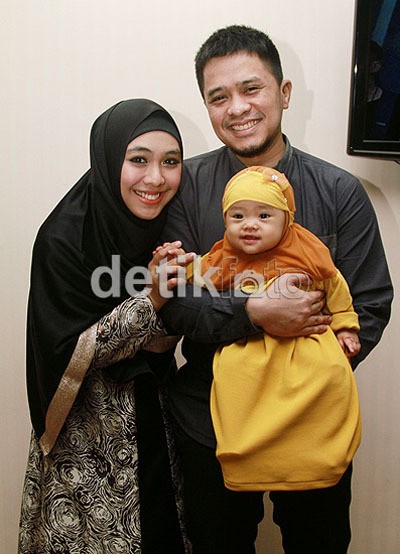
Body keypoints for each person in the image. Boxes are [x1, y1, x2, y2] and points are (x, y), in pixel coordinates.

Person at [159, 25, 394, 554]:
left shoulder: (339, 191)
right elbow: (172, 302)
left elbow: (369, 301)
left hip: (313, 417)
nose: (237, 108)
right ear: (207, 106)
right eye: (219, 97)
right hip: (208, 417)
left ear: (284, 93)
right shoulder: (187, 188)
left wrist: (310, 372)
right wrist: (254, 312)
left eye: (251, 88)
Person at [18, 99, 194, 554]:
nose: (155, 178)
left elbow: (181, 324)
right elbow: (69, 351)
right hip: (88, 437)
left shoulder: (172, 225)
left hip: (157, 420)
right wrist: (150, 299)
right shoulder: (63, 239)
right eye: (138, 159)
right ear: (109, 158)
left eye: (170, 162)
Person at [189, 165, 361, 494]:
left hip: (306, 352)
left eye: (264, 215)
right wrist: (177, 265)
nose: (250, 224)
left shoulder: (308, 253)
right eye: (237, 216)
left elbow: (336, 288)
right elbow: (196, 275)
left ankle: (318, 460)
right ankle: (246, 463)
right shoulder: (225, 257)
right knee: (237, 389)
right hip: (248, 351)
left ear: (287, 220)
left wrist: (345, 326)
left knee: (324, 393)